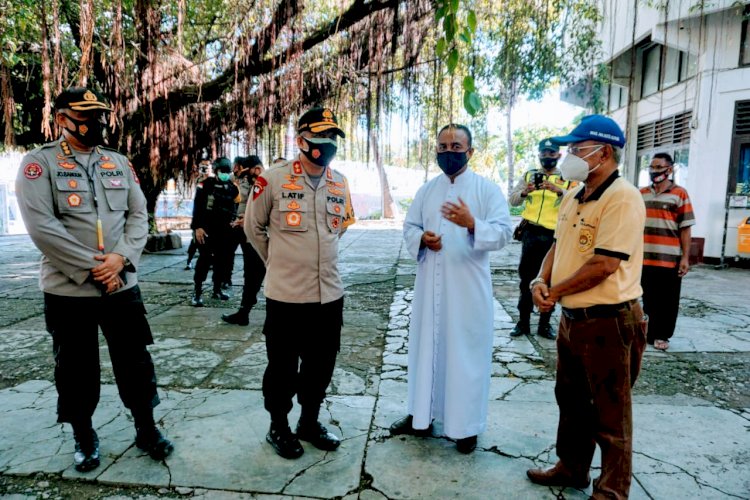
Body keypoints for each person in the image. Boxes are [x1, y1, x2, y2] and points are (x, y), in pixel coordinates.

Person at [15, 87, 173, 473]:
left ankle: (146, 427)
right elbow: (42, 227)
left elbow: (138, 215)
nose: (95, 123)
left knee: (135, 360)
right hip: (69, 290)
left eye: (99, 115)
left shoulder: (117, 162)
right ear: (62, 119)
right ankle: (84, 435)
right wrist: (93, 268)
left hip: (122, 286)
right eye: (85, 116)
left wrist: (120, 259)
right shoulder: (39, 164)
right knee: (75, 367)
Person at [524, 115, 647, 499]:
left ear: (603, 152)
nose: (569, 156)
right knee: (572, 400)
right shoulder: (575, 194)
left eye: (577, 150)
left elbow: (605, 264)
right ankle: (572, 467)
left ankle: (611, 490)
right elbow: (559, 245)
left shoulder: (622, 197)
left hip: (608, 319)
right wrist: (541, 281)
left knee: (610, 411)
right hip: (573, 318)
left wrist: (555, 291)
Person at [391, 124, 513, 454]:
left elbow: (504, 233)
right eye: (442, 146)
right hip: (429, 287)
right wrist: (421, 239)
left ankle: (465, 427)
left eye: (456, 146)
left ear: (470, 151)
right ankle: (421, 416)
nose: (449, 152)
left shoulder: (487, 191)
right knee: (424, 350)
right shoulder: (427, 190)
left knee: (465, 357)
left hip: (468, 292)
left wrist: (472, 224)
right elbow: (410, 225)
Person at [245, 106, 355, 459]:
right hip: (287, 296)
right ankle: (279, 426)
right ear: (301, 140)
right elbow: (253, 228)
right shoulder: (274, 179)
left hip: (329, 294)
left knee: (321, 365)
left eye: (333, 138)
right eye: (320, 137)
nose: (327, 144)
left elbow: (339, 229)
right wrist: (278, 262)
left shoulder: (340, 182)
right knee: (282, 368)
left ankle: (309, 421)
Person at [508, 138, 575, 339]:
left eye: (551, 153)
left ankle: (544, 325)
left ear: (559, 155)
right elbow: (512, 200)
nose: (547, 157)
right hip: (531, 234)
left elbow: (577, 198)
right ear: (539, 155)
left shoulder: (567, 178)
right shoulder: (529, 175)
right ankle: (523, 322)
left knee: (550, 281)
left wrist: (559, 191)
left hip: (554, 236)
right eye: (544, 153)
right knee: (526, 279)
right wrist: (525, 191)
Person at [640, 152, 695, 351]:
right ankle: (649, 332)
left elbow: (686, 228)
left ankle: (662, 334)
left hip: (669, 258)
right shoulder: (642, 193)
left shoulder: (680, 194)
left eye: (658, 167)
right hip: (645, 257)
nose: (654, 172)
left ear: (669, 170)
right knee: (648, 297)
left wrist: (685, 258)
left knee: (668, 300)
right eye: (652, 167)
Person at [222, 155, 267, 326]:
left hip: (265, 238)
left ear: (255, 169)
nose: (246, 178)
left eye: (248, 174)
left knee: (264, 275)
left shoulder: (268, 184)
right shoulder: (249, 180)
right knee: (251, 275)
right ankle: (244, 311)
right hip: (249, 234)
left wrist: (247, 220)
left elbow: (266, 212)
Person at [190, 156, 240, 306]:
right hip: (207, 230)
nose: (224, 173)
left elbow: (236, 206)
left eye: (227, 171)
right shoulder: (205, 185)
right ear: (216, 170)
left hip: (225, 231)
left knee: (222, 262)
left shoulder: (232, 187)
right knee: (204, 261)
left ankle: (217, 289)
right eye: (222, 170)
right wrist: (197, 227)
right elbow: (197, 207)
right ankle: (197, 292)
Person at [185, 160, 211, 270]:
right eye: (202, 166)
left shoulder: (213, 181)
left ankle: (208, 261)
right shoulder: (198, 181)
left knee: (207, 242)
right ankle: (189, 260)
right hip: (198, 216)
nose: (204, 168)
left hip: (209, 217)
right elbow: (197, 202)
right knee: (195, 241)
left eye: (206, 166)